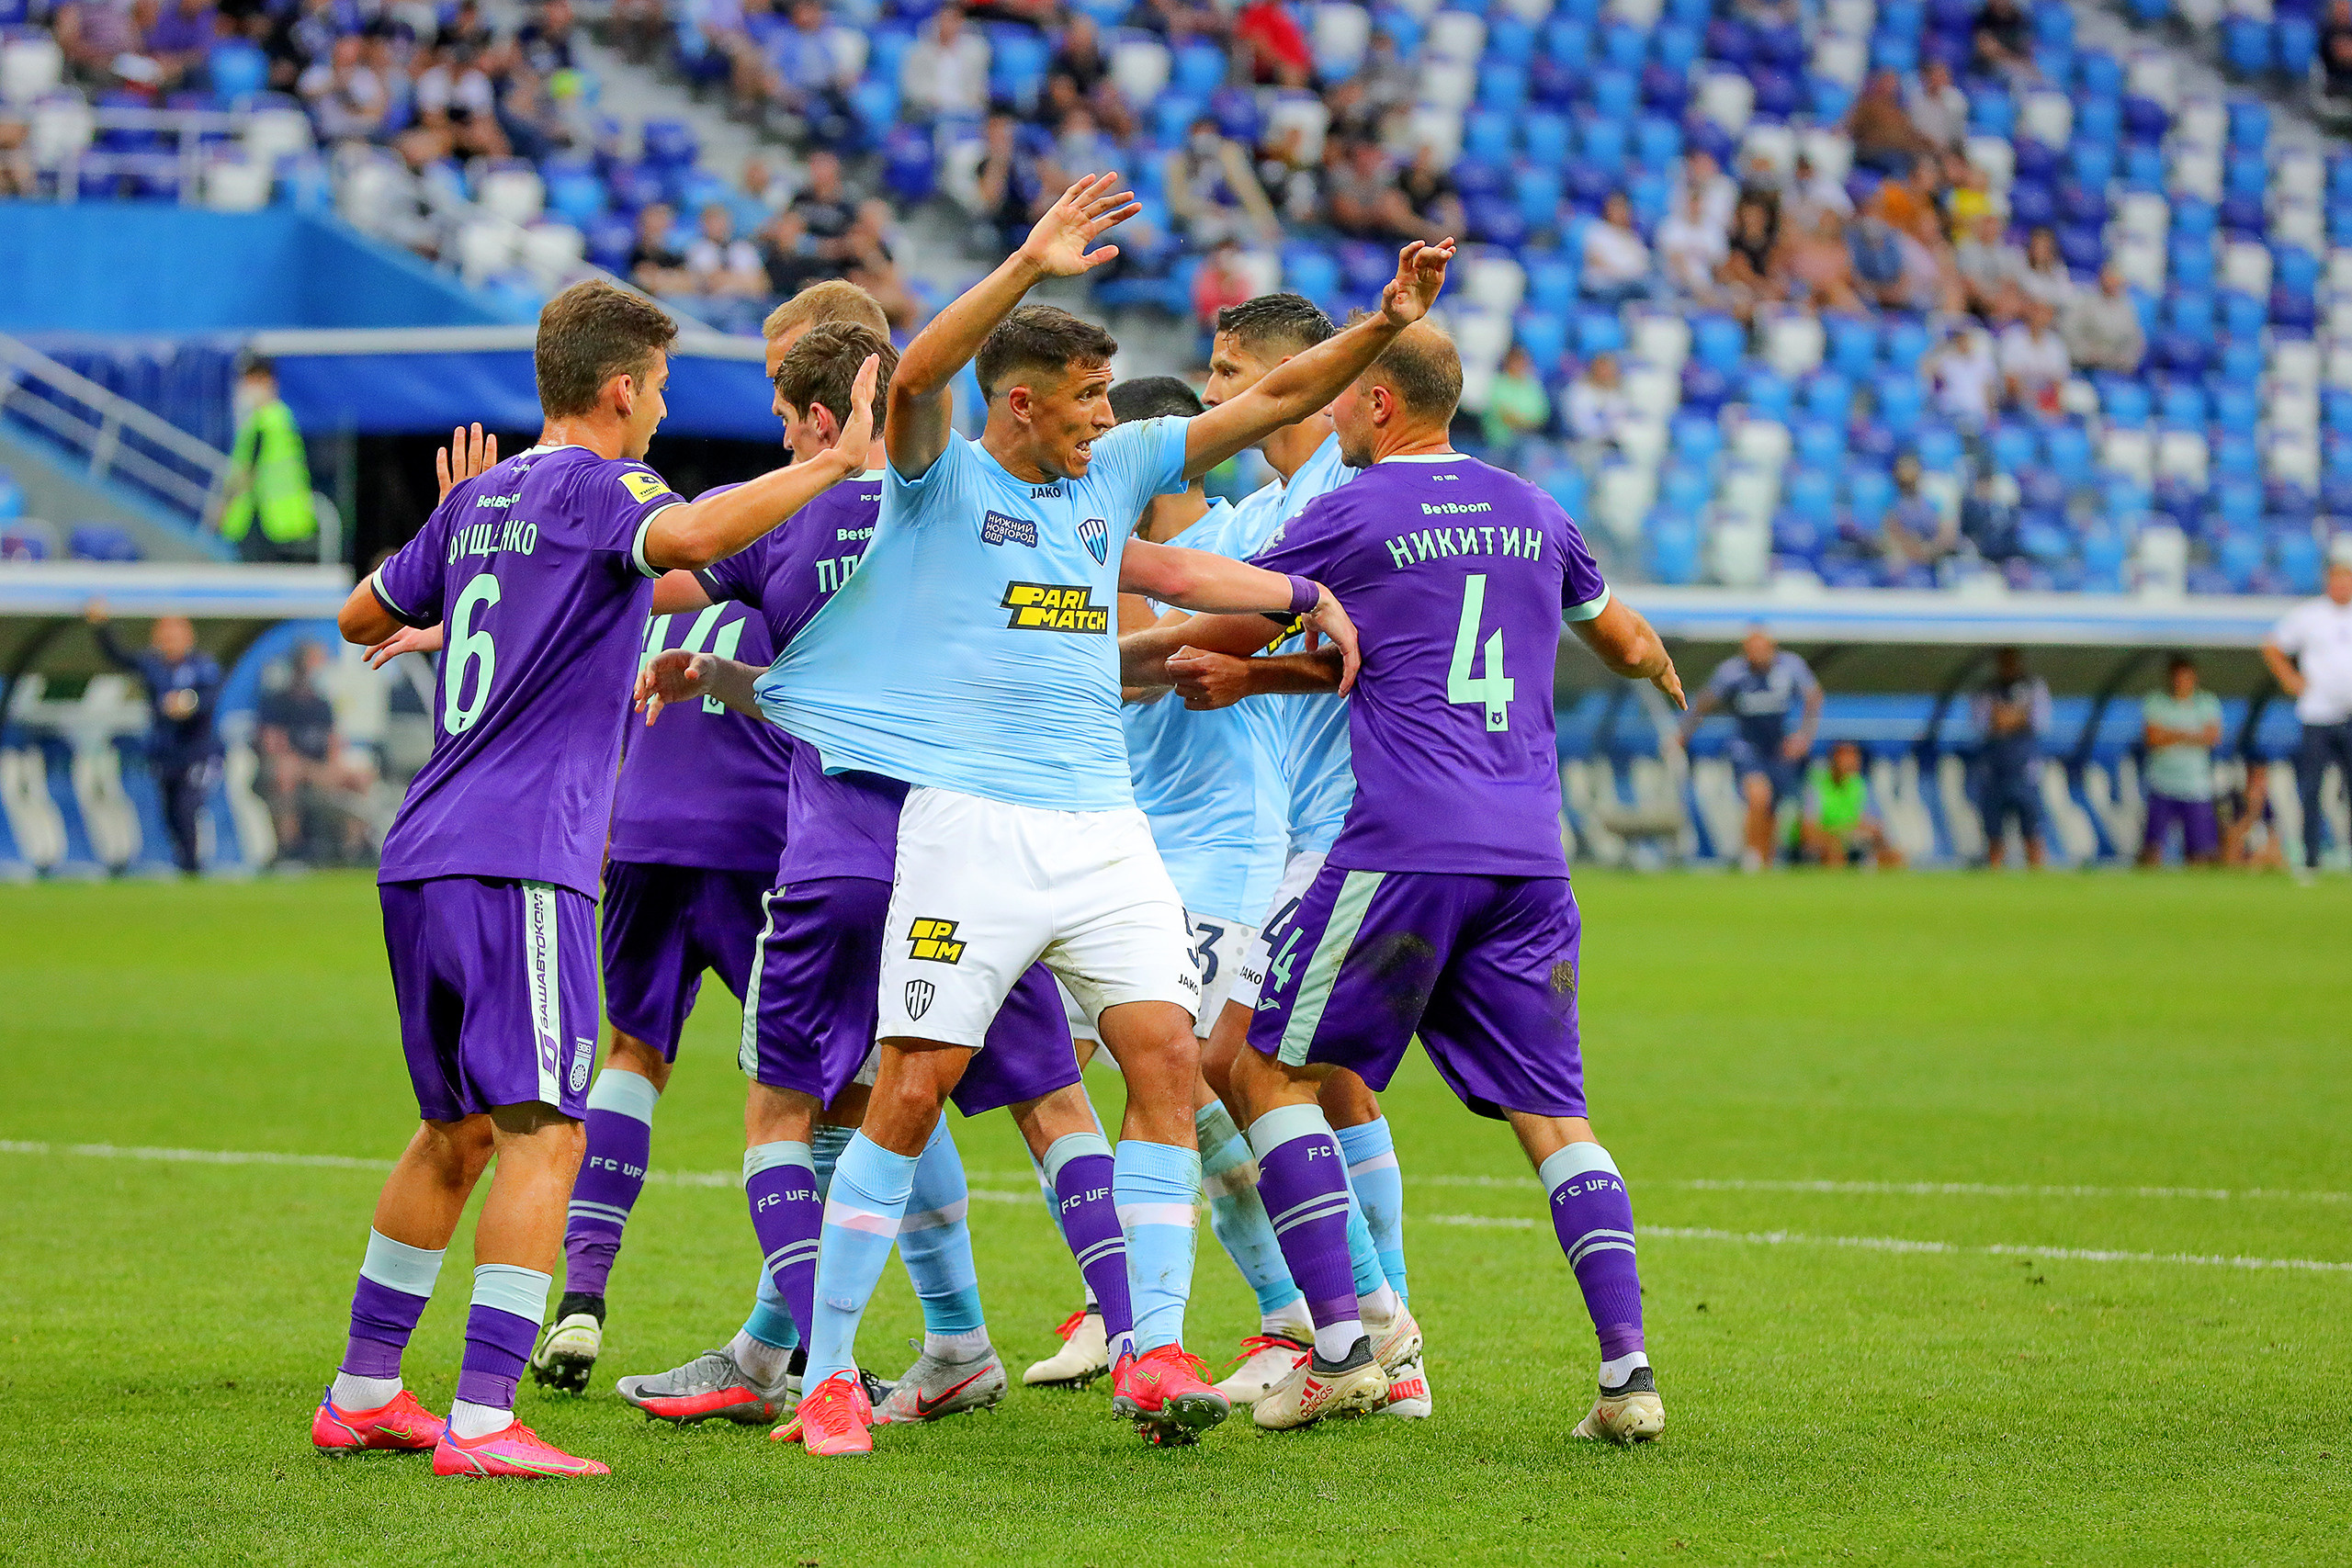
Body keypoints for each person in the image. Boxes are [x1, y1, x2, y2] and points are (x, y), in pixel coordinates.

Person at [693, 176, 1452, 1457]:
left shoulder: (1111, 476)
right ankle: (826, 1372)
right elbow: (923, 364)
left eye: (1112, 399)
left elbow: (1267, 400)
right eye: (1089, 399)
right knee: (912, 1087)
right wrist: (1026, 261)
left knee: (1166, 1063)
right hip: (968, 835)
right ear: (1023, 402)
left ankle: (1153, 1349)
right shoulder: (935, 484)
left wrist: (1379, 325)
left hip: (1105, 832)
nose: (1112, 419)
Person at [311, 278, 876, 1480]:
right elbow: (689, 537)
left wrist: (463, 547)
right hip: (525, 856)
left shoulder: (481, 500)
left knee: (453, 1125)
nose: (663, 411)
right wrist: (837, 466)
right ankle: (481, 1415)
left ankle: (363, 1388)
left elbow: (363, 609)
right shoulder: (602, 487)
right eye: (661, 387)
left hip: (421, 851)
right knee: (545, 1129)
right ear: (621, 388)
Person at [1126, 318, 1684, 1442]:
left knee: (1256, 1067)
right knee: (1553, 1115)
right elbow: (1620, 640)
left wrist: (1201, 636)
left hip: (1398, 847)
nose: (1327, 413)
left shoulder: (1352, 511)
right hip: (1528, 855)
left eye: (1340, 400)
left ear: (1379, 403)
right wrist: (1662, 671)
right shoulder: (1535, 508)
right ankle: (1628, 1379)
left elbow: (1227, 614)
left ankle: (1342, 1345)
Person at [620, 320, 1132, 1437]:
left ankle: (824, 1370)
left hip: (842, 862)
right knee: (1046, 1101)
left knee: (796, 1111)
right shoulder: (976, 509)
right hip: (981, 856)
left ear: (819, 412)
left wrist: (472, 608)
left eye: (777, 405)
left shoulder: (789, 513)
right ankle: (1130, 1344)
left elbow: (644, 581)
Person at [1111, 296, 1426, 1417]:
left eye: (1231, 368)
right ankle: (1362, 1337)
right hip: (1302, 828)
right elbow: (1198, 591)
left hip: (1345, 830)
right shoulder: (1272, 503)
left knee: (1229, 1068)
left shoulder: (1348, 492)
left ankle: (1364, 1327)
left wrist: (1087, 665)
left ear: (1296, 378)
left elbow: (1316, 646)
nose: (1211, 389)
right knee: (1307, 1077)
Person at [83, 603, 220, 874]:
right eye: (164, 633)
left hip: (196, 752)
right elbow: (118, 656)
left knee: (186, 807)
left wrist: (188, 703)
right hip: (165, 754)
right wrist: (101, 627)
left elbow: (211, 697)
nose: (168, 639)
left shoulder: (202, 665)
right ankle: (184, 863)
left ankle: (192, 866)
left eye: (174, 633)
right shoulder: (153, 664)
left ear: (187, 636)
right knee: (170, 813)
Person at [1679, 628, 1823, 872]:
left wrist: (1803, 738)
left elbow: (1814, 696)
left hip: (1778, 747)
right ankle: (1752, 856)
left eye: (1759, 648)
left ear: (1772, 648)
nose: (1754, 655)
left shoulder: (1791, 667)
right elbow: (1705, 700)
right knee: (1758, 797)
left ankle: (1765, 860)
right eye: (1749, 650)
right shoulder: (1732, 672)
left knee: (1773, 807)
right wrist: (1684, 733)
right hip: (1747, 746)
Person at [2261, 558, 2352, 878]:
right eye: (2336, 580)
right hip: (2318, 716)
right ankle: (2311, 858)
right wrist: (2291, 680)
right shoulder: (2310, 615)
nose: (2342, 587)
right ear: (2328, 582)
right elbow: (2273, 647)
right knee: (2312, 787)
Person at [256, 639, 376, 864]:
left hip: (319, 767)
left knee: (360, 776)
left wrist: (330, 768)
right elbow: (274, 746)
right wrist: (312, 770)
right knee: (286, 772)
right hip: (293, 767)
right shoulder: (277, 702)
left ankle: (355, 848)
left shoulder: (322, 704)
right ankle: (290, 848)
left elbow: (334, 743)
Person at [219, 358, 319, 563]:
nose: (247, 388)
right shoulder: (280, 417)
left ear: (267, 381)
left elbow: (246, 472)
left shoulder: (265, 422)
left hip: (268, 523)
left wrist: (223, 505)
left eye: (251, 381)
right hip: (277, 521)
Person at [2139, 654, 2224, 867]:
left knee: (2200, 851)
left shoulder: (2206, 702)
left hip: (2196, 786)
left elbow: (2212, 737)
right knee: (2152, 847)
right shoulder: (2156, 701)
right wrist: (2192, 734)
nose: (2181, 683)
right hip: (2162, 784)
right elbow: (2153, 738)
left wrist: (2171, 734)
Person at [1970, 646, 2052, 868]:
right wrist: (2017, 715)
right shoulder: (1988, 689)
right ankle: (1994, 878)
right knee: (1994, 832)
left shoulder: (2034, 686)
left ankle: (2038, 876)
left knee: (2032, 828)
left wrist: (2006, 716)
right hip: (1995, 768)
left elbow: (2039, 721)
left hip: (2024, 766)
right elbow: (1984, 722)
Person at [1800, 740, 1902, 867]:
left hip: (1853, 841)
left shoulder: (1860, 785)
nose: (1851, 762)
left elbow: (1875, 825)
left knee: (1894, 856)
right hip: (1828, 843)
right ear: (1834, 759)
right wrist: (1840, 834)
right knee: (1834, 853)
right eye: (1846, 757)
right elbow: (1808, 830)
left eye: (1854, 757)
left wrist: (1863, 831)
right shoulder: (1817, 786)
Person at [899, 2, 989, 118]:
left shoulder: (975, 53)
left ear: (961, 22)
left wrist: (967, 103)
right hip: (929, 110)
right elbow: (911, 88)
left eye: (952, 20)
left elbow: (979, 89)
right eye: (944, 20)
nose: (947, 25)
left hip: (965, 110)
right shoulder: (917, 52)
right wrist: (935, 100)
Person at [2063, 264, 2146, 375]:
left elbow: (2136, 341)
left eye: (2116, 278)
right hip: (2085, 367)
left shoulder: (2127, 309)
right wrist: (2086, 354)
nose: (2112, 282)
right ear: (2101, 277)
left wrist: (2123, 360)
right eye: (2109, 276)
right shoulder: (2084, 300)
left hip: (2116, 369)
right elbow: (2069, 330)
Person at [1482, 344, 1552, 461]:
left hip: (1531, 438)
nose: (1520, 365)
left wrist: (1526, 423)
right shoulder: (1498, 384)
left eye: (1522, 361)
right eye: (1516, 361)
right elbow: (1506, 416)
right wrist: (1526, 422)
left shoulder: (1532, 385)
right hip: (1502, 442)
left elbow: (1542, 415)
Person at [1998, 299, 2070, 413]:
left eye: (2044, 312)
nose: (2039, 316)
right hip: (2016, 403)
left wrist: (2052, 404)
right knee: (2032, 412)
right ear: (2028, 312)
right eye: (2036, 311)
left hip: (2045, 402)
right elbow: (2011, 384)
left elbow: (2059, 383)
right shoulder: (2013, 339)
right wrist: (2036, 401)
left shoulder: (2056, 344)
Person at [1580, 192, 1652, 306]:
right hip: (1604, 286)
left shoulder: (1633, 237)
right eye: (1616, 208)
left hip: (1631, 285)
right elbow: (1598, 261)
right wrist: (1625, 273)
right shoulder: (1597, 231)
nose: (1620, 212)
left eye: (1623, 208)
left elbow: (1643, 265)